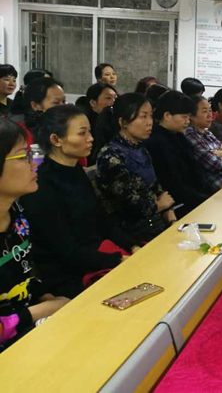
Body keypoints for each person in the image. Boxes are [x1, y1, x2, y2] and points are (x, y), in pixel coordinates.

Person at [21, 105, 139, 299]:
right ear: (56, 140)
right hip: (69, 274)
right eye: (82, 133)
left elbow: (102, 219)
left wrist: (132, 246)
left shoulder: (74, 170)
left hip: (96, 256)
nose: (90, 138)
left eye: (90, 132)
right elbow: (66, 252)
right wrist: (118, 259)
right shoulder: (41, 185)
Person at [0, 119, 69, 352]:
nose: (34, 164)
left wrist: (46, 297)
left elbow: (25, 275)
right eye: (23, 157)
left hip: (30, 334)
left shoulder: (16, 212)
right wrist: (38, 311)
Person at [95, 94, 175, 243]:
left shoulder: (141, 149)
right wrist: (159, 205)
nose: (150, 122)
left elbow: (157, 189)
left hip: (156, 224)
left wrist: (170, 215)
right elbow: (130, 206)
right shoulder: (110, 156)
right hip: (131, 236)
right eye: (143, 116)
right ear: (123, 122)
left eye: (150, 116)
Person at [144, 91, 212, 217]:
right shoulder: (157, 143)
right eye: (184, 117)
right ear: (167, 116)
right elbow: (173, 185)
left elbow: (196, 172)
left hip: (195, 199)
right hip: (179, 206)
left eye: (188, 117)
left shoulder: (179, 136)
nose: (187, 121)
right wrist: (207, 200)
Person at [184, 95, 222, 192]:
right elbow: (216, 164)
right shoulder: (190, 134)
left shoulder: (207, 133)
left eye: (210, 110)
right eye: (204, 111)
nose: (209, 115)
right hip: (215, 190)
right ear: (192, 116)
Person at [9, 77, 66, 146]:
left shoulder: (64, 124)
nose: (63, 107)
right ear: (35, 105)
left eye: (64, 101)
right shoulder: (16, 130)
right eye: (56, 102)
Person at [82, 83, 118, 166]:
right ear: (93, 103)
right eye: (108, 98)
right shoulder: (86, 124)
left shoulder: (115, 122)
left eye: (116, 98)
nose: (114, 102)